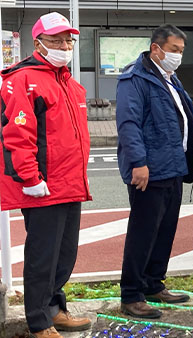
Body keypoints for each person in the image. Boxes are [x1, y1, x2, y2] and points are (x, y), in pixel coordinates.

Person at [0, 12, 92, 338]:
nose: (64, 45)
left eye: (68, 39)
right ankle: (39, 321)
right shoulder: (23, 78)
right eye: (56, 40)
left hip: (70, 182)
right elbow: (17, 135)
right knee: (42, 257)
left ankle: (55, 308)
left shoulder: (65, 79)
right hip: (42, 185)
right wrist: (30, 178)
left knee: (64, 255)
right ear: (38, 42)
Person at [116, 24, 193, 318]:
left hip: (172, 167)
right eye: (174, 50)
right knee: (143, 231)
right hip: (149, 170)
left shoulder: (169, 78)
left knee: (165, 230)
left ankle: (154, 283)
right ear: (156, 49)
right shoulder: (135, 79)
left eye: (181, 51)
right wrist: (138, 163)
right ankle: (131, 294)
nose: (178, 56)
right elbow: (128, 125)